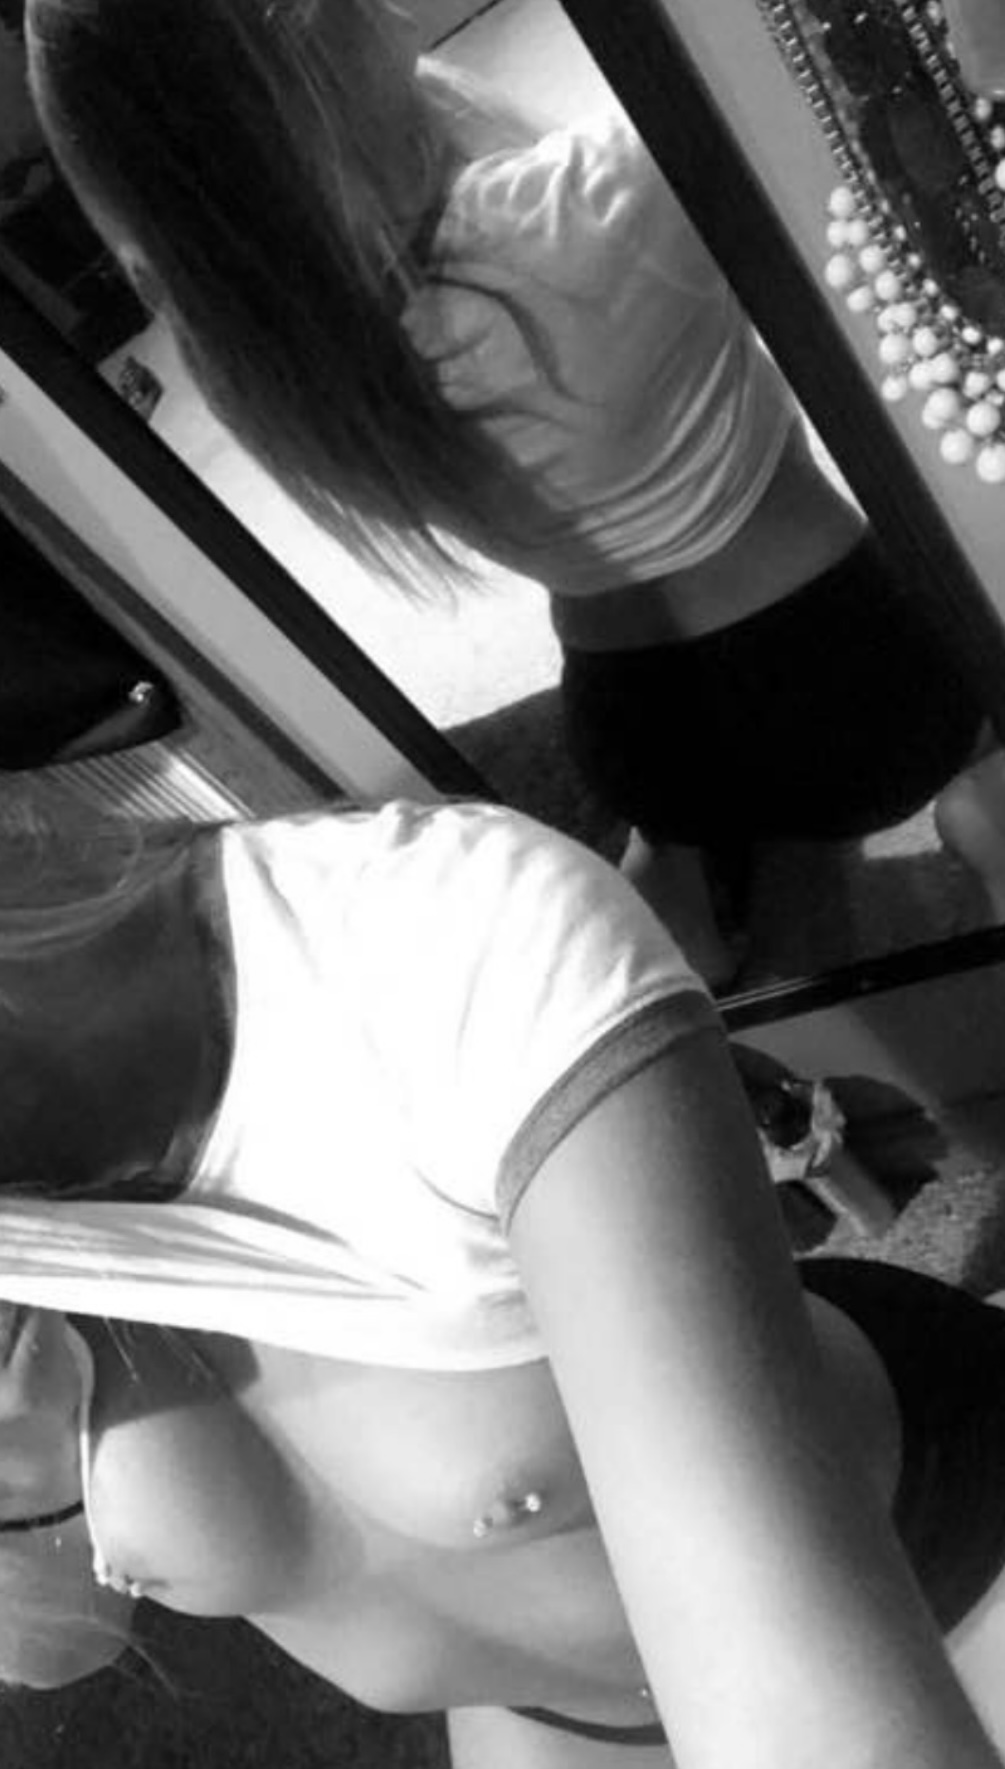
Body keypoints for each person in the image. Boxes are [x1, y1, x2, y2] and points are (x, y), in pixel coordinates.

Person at [0, 797, 1004, 1769]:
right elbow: (61, 1644)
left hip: (929, 1552)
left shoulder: (439, 949)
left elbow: (809, 1734)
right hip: (560, 1715)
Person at [22, 0, 990, 986]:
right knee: (958, 733)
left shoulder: (255, 351)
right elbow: (787, 57)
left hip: (630, 733)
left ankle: (679, 888)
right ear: (309, 56)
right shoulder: (594, 206)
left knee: (711, 820)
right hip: (857, 682)